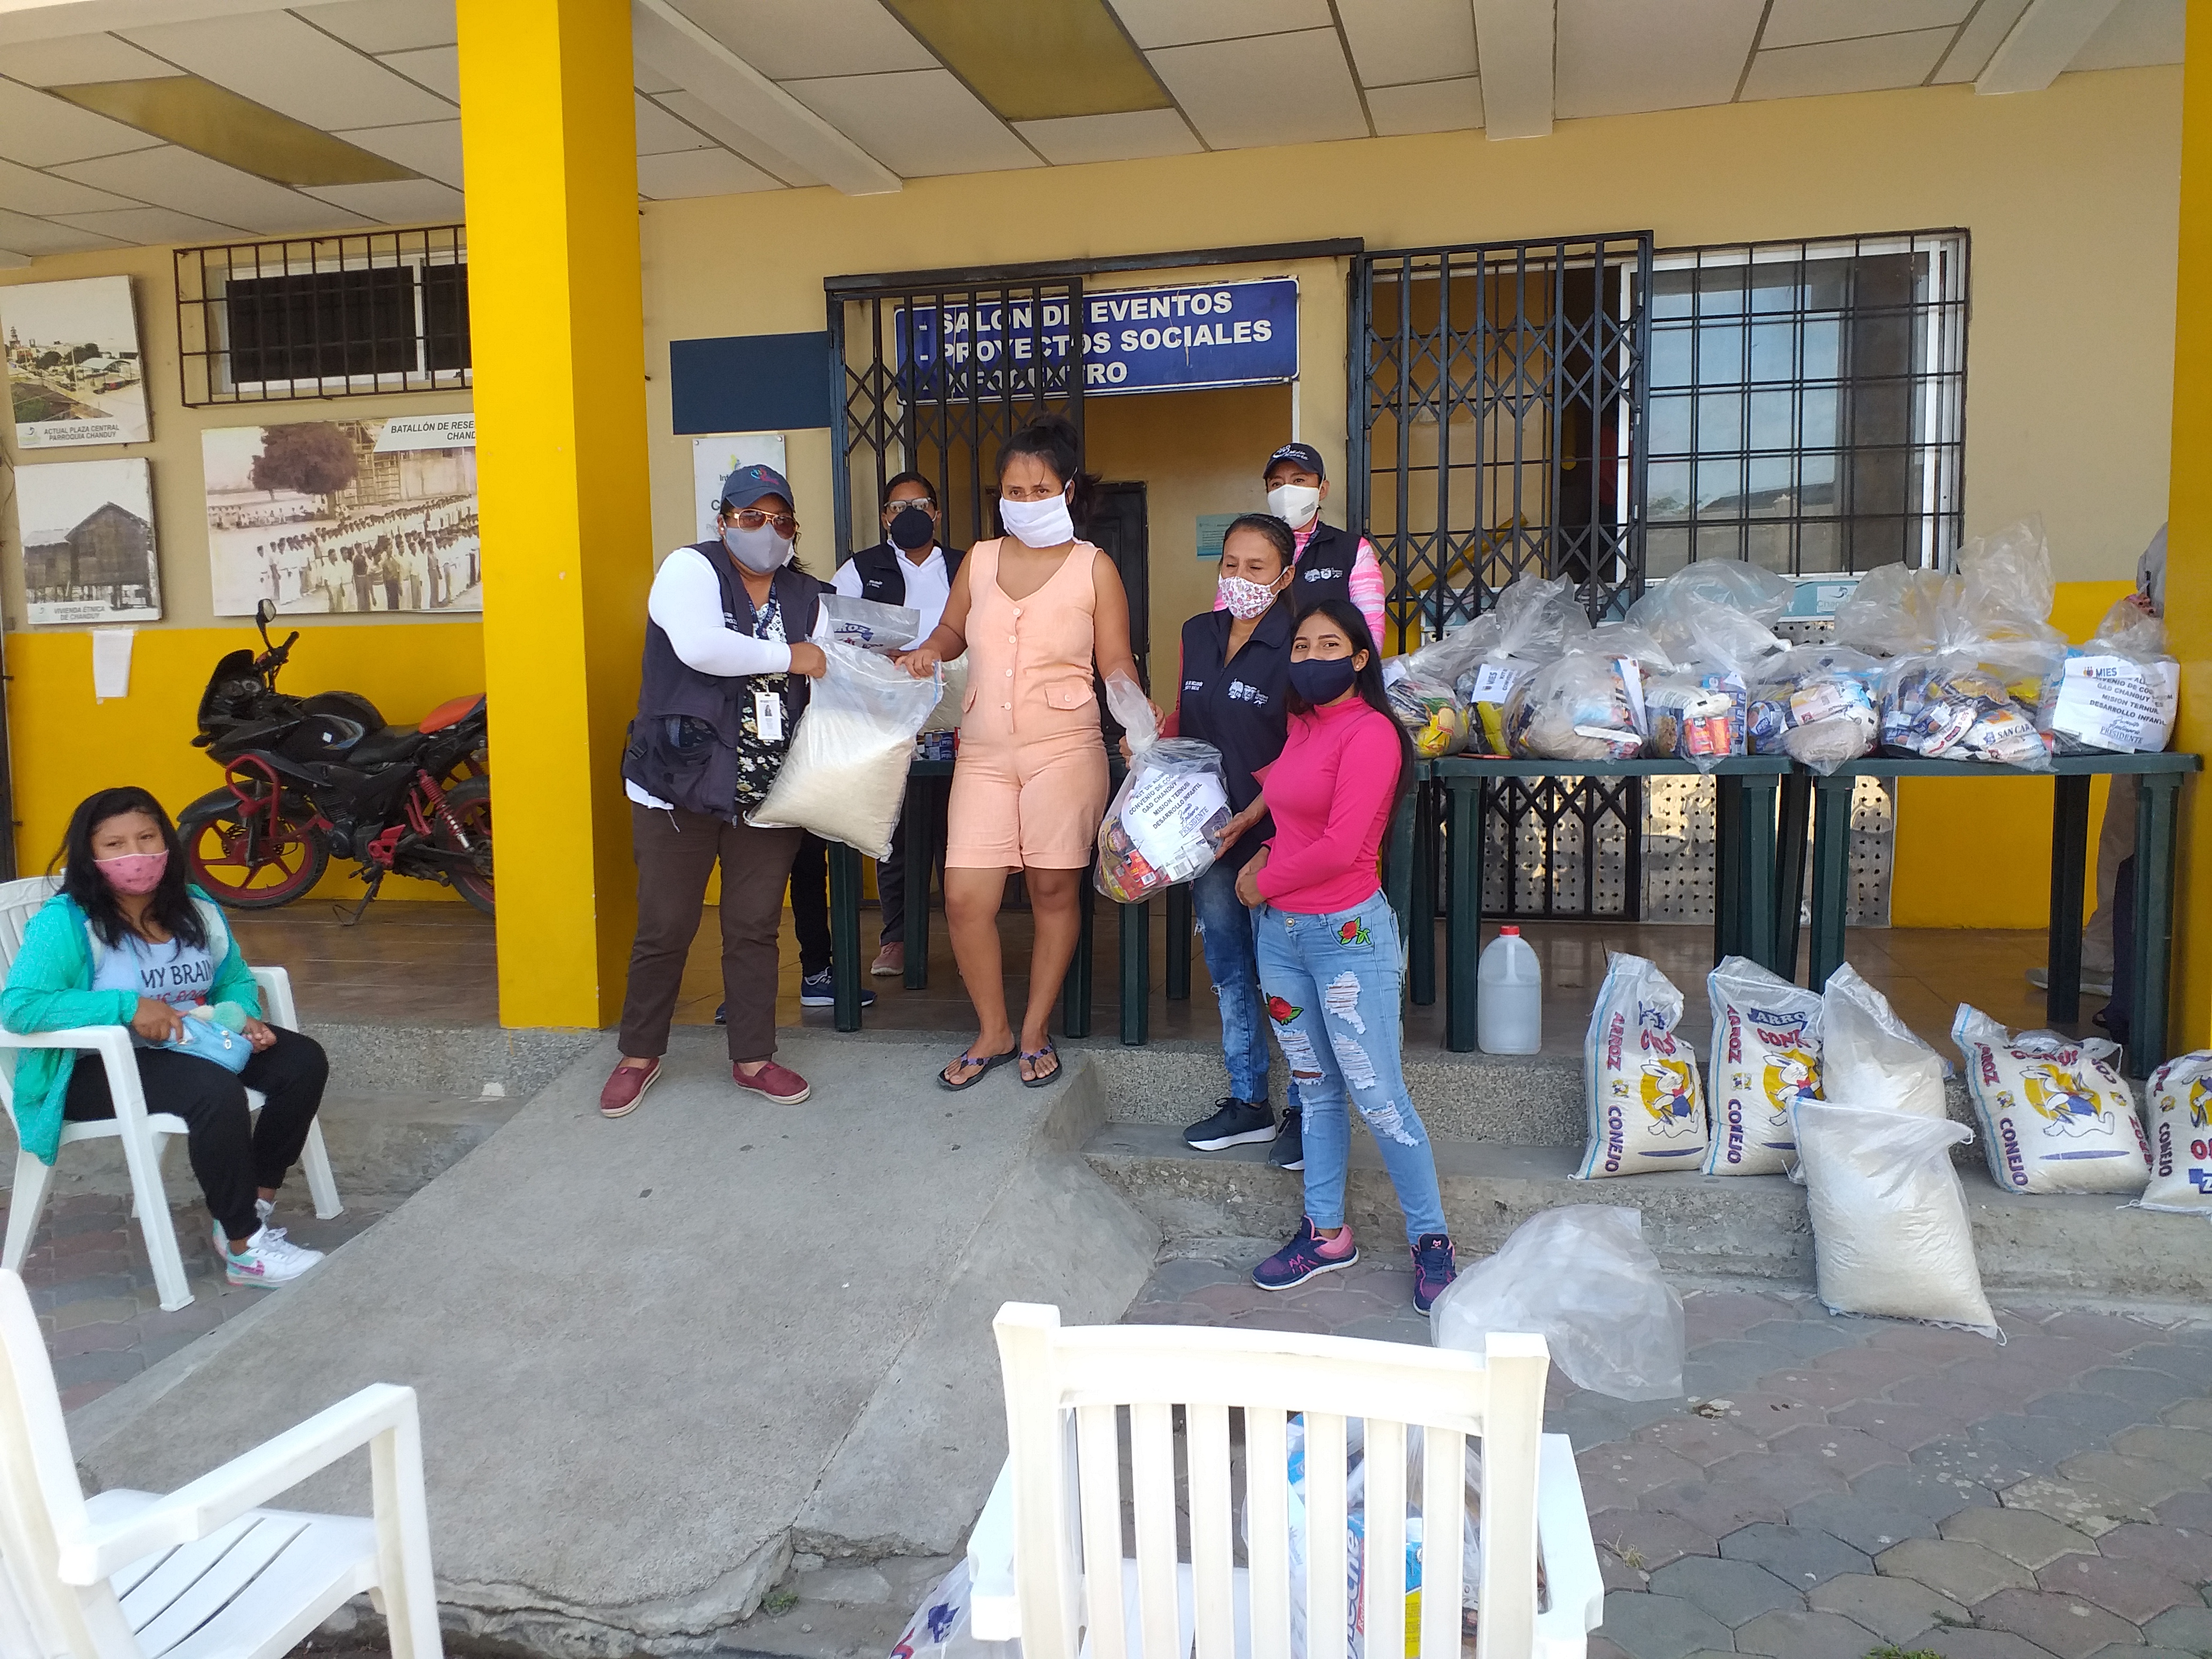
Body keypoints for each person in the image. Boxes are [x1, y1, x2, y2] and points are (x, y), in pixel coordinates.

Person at [0, 787, 330, 1288]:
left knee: (301, 1061)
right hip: (92, 1068)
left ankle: (253, 1204)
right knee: (212, 1091)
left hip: (192, 1042)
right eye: (114, 844)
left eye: (147, 837)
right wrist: (127, 1007)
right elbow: (20, 1006)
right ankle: (245, 1250)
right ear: (90, 854)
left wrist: (241, 1015)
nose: (134, 855)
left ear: (167, 843)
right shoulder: (67, 921)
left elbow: (232, 976)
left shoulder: (195, 906)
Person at [898, 414, 1141, 1089]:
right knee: (964, 896)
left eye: (1040, 490)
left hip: (1065, 749)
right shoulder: (979, 559)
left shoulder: (1095, 568)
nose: (1026, 501)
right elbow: (952, 629)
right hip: (982, 751)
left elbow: (1116, 661)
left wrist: (1135, 715)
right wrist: (930, 651)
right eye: (1014, 490)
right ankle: (993, 1030)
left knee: (1051, 888)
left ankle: (1034, 1028)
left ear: (1068, 491)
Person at [1239, 600, 1460, 1314]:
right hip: (1282, 940)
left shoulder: (1372, 734)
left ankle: (1431, 1239)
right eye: (1301, 646)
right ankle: (1325, 1233)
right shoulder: (1302, 726)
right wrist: (1267, 854)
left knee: (1378, 1093)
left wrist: (1261, 882)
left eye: (1329, 645)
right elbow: (1295, 821)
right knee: (1315, 1088)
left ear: (1361, 657)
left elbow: (1341, 847)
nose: (1311, 657)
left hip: (1348, 939)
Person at [602, 464, 827, 1118]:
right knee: (666, 925)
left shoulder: (809, 594)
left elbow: (842, 663)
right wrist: (793, 656)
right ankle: (639, 1054)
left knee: (754, 928)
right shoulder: (689, 569)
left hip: (769, 792)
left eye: (780, 520)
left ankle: (753, 1057)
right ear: (724, 520)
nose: (766, 530)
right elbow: (701, 647)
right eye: (751, 516)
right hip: (678, 786)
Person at [1170, 513, 1308, 1171]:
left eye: (1257, 568)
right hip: (1211, 836)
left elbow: (1308, 746)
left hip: (1282, 834)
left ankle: (1309, 1109)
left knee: (1287, 975)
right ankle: (1249, 1100)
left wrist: (1257, 816)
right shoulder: (1198, 633)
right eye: (1231, 564)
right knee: (1229, 968)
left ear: (1285, 576)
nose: (1240, 578)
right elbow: (1188, 723)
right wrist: (1152, 743)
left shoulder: (1300, 643)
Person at [835, 471, 963, 980]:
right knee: (896, 831)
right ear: (885, 517)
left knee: (958, 832)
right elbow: (835, 635)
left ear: (937, 513)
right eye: (897, 507)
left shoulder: (966, 567)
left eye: (920, 504)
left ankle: (967, 936)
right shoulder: (861, 570)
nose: (909, 514)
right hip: (889, 719)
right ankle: (897, 939)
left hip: (959, 720)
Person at [1218, 442, 1388, 647]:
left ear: (1322, 490)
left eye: (1298, 480)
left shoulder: (1352, 550)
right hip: (1259, 663)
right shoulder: (1248, 547)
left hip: (1322, 664)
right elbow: (1224, 618)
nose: (1286, 492)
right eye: (1277, 484)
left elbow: (1371, 633)